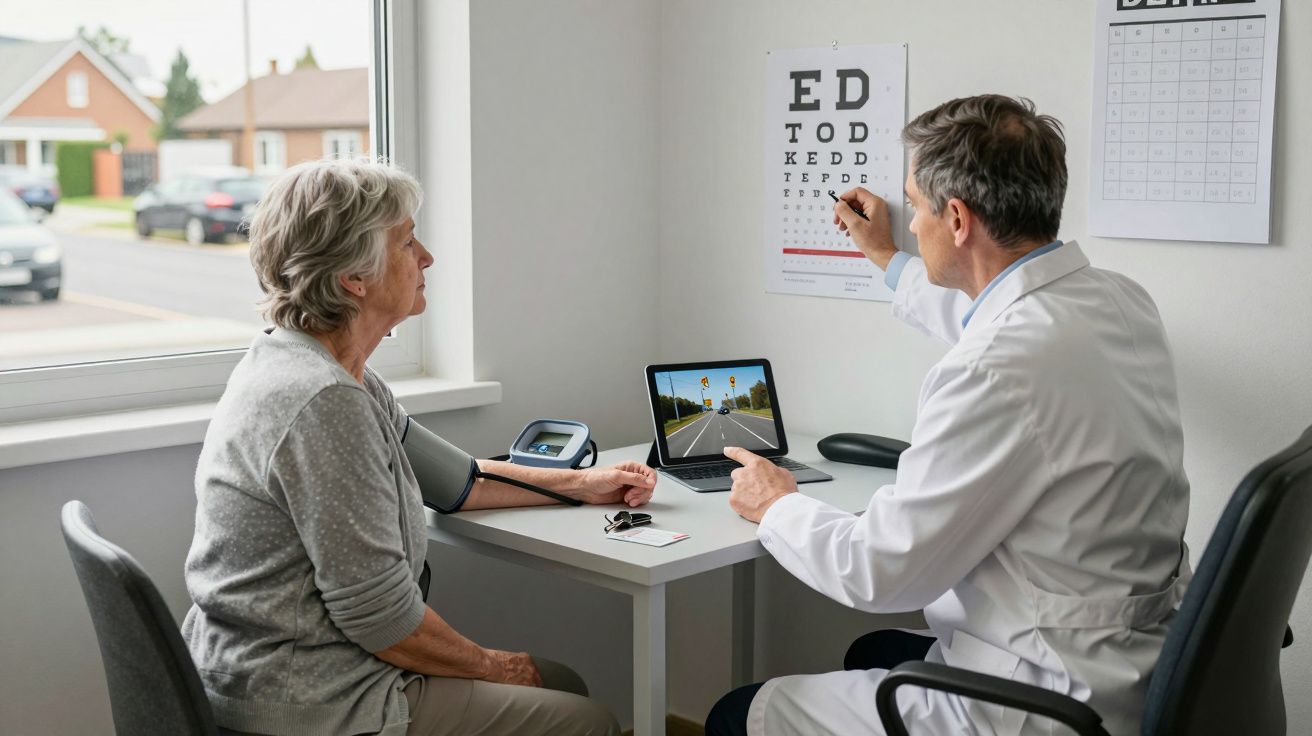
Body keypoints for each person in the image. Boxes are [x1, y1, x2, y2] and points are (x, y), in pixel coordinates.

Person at [705, 95, 1190, 736]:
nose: (912, 224)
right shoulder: (1119, 302)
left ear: (957, 218)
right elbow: (989, 317)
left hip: (1042, 698)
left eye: (917, 206)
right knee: (872, 652)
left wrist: (777, 505)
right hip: (1136, 664)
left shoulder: (993, 367)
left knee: (735, 715)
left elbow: (879, 573)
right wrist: (884, 256)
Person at [183, 158, 656, 736]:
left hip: (268, 670)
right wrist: (499, 667)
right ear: (354, 277)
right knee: (589, 720)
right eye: (407, 242)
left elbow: (461, 482)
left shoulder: (318, 366)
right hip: (308, 697)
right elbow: (382, 620)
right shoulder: (323, 401)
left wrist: (583, 485)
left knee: (561, 683)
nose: (427, 257)